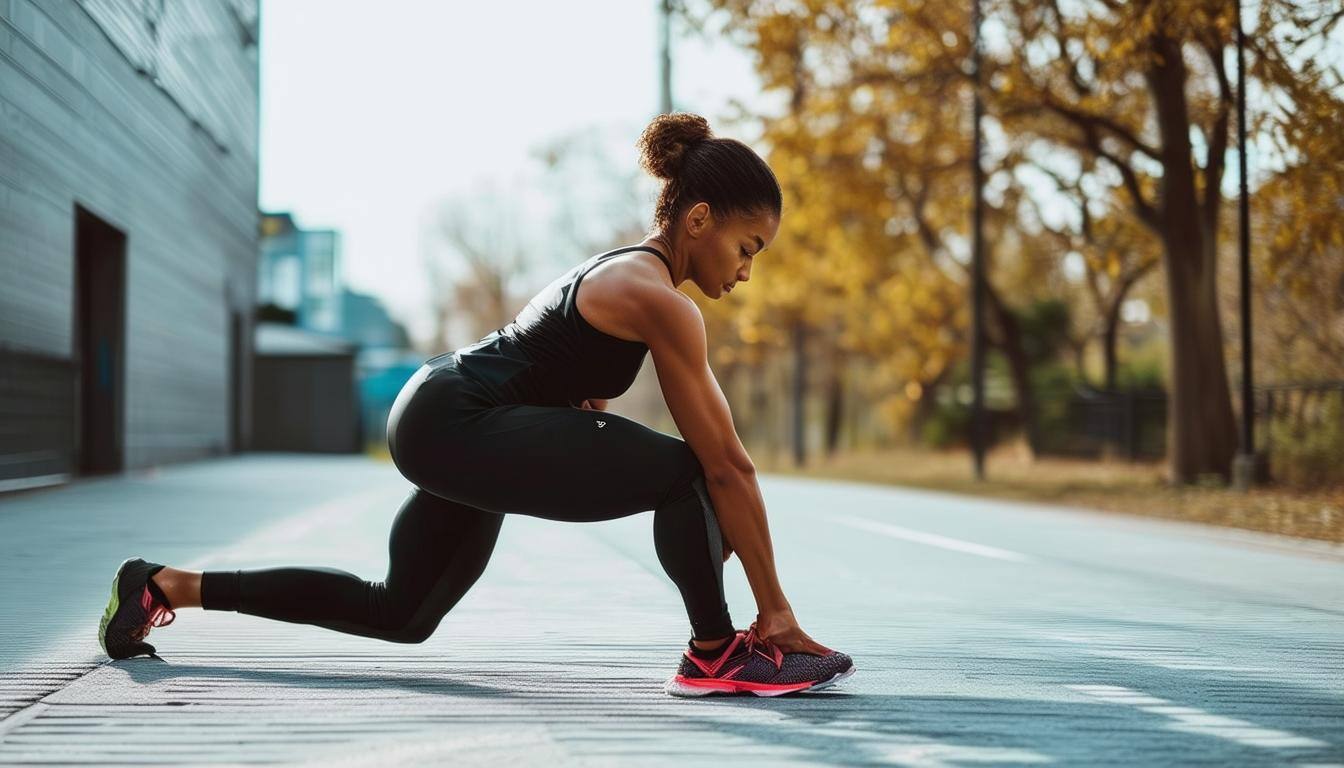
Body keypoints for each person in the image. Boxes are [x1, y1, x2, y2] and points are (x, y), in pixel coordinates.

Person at [97, 112, 855, 697]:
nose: (747, 271)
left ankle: (163, 586)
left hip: (442, 416)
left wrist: (582, 413)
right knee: (690, 472)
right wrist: (776, 612)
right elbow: (727, 465)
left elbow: (553, 367)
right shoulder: (659, 300)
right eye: (748, 246)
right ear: (698, 221)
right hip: (459, 421)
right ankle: (718, 652)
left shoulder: (625, 275)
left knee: (401, 613)